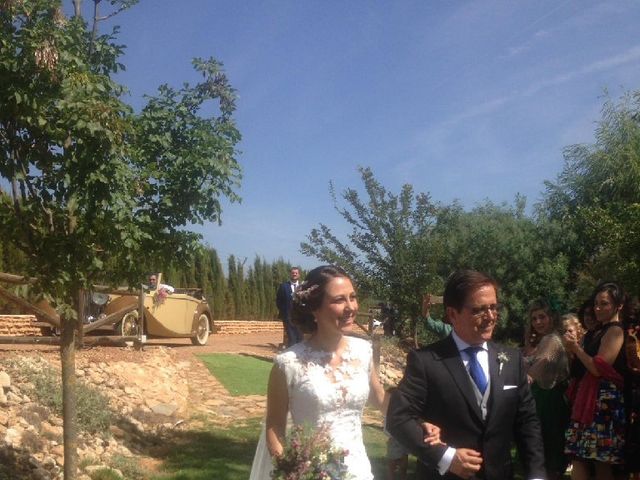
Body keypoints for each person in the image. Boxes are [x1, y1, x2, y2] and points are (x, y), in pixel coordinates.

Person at [250, 265, 440, 480]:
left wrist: (417, 421)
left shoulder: (363, 351)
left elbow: (380, 398)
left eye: (353, 297)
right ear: (315, 308)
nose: (351, 307)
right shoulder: (287, 364)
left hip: (357, 469)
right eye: (339, 300)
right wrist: (290, 470)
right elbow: (274, 428)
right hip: (311, 472)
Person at [387, 269, 545, 480]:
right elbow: (398, 418)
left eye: (493, 307)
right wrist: (445, 457)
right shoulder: (425, 361)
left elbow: (527, 422)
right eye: (479, 310)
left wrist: (536, 475)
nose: (490, 317)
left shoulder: (512, 359)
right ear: (453, 314)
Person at [563, 281, 627, 480]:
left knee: (601, 461)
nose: (598, 308)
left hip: (604, 405)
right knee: (580, 457)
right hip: (587, 402)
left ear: (619, 305)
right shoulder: (594, 333)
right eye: (596, 303)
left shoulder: (615, 331)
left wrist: (576, 349)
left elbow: (599, 368)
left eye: (604, 303)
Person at [524, 299, 570, 480]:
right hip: (541, 399)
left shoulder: (552, 339)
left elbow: (541, 364)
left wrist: (523, 384)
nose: (538, 322)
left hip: (551, 401)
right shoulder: (544, 340)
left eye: (542, 317)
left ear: (552, 317)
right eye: (534, 319)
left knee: (548, 456)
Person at [275, 267, 302, 347]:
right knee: (291, 337)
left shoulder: (303, 286)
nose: (294, 274)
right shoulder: (283, 286)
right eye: (293, 273)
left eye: (296, 273)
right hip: (288, 316)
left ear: (299, 274)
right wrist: (284, 312)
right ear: (290, 274)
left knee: (300, 338)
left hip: (301, 317)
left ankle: (299, 357)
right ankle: (292, 356)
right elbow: (278, 301)